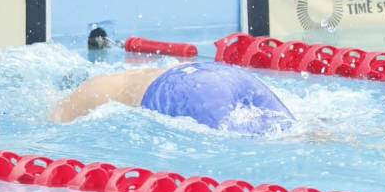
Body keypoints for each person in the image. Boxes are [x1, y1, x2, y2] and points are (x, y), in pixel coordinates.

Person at [51, 63, 294, 135]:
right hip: (222, 74)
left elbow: (52, 125)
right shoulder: (140, 70)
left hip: (184, 88)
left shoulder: (91, 90)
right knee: (294, 130)